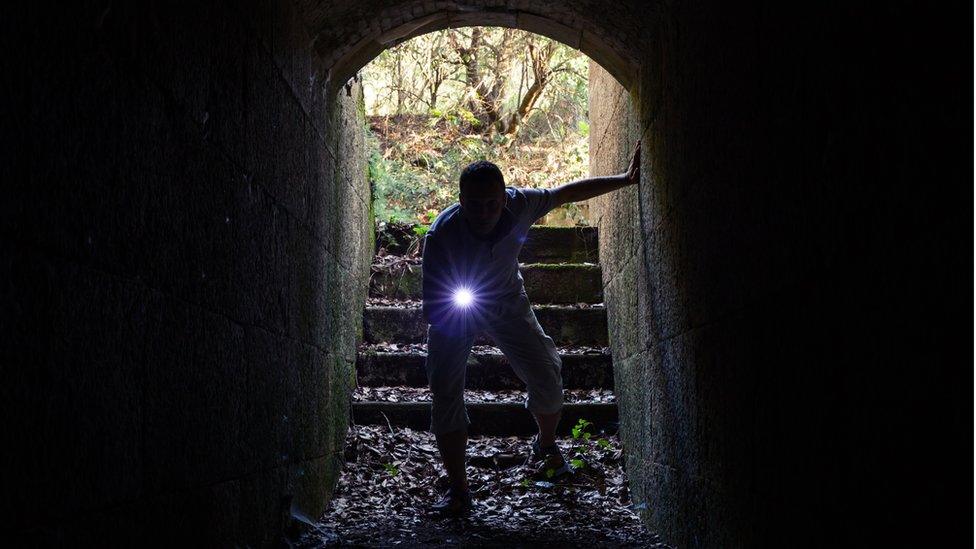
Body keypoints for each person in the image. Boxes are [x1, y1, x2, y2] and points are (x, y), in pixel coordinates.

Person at [421, 141, 641, 517]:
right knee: (444, 390)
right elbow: (431, 305)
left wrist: (624, 179)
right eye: (474, 204)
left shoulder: (520, 203)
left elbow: (566, 193)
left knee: (546, 369)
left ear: (503, 198)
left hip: (506, 299)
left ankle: (546, 444)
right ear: (460, 200)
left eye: (492, 203)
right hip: (454, 307)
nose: (485, 212)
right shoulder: (442, 234)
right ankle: (459, 492)